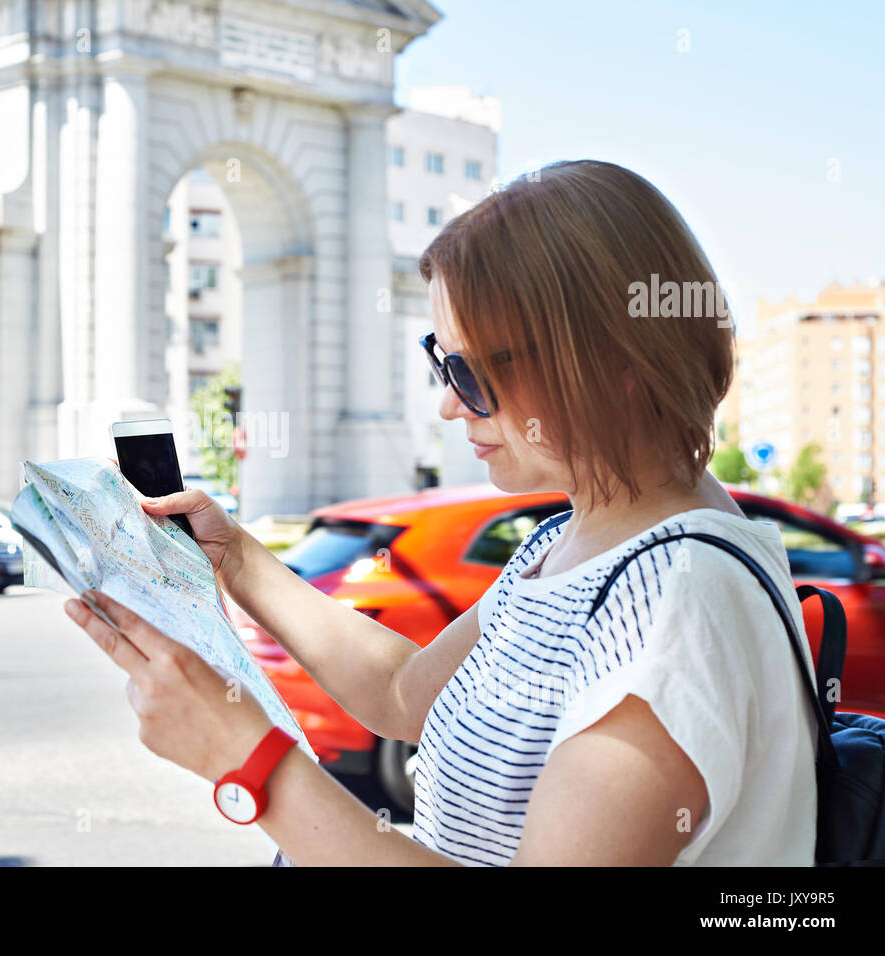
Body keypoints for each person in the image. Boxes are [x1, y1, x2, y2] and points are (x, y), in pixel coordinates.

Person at [64, 159, 818, 865]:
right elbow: (402, 695)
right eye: (439, 359)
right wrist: (236, 560)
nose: (449, 404)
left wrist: (251, 760)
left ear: (612, 361)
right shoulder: (572, 539)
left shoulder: (678, 598)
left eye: (470, 371)